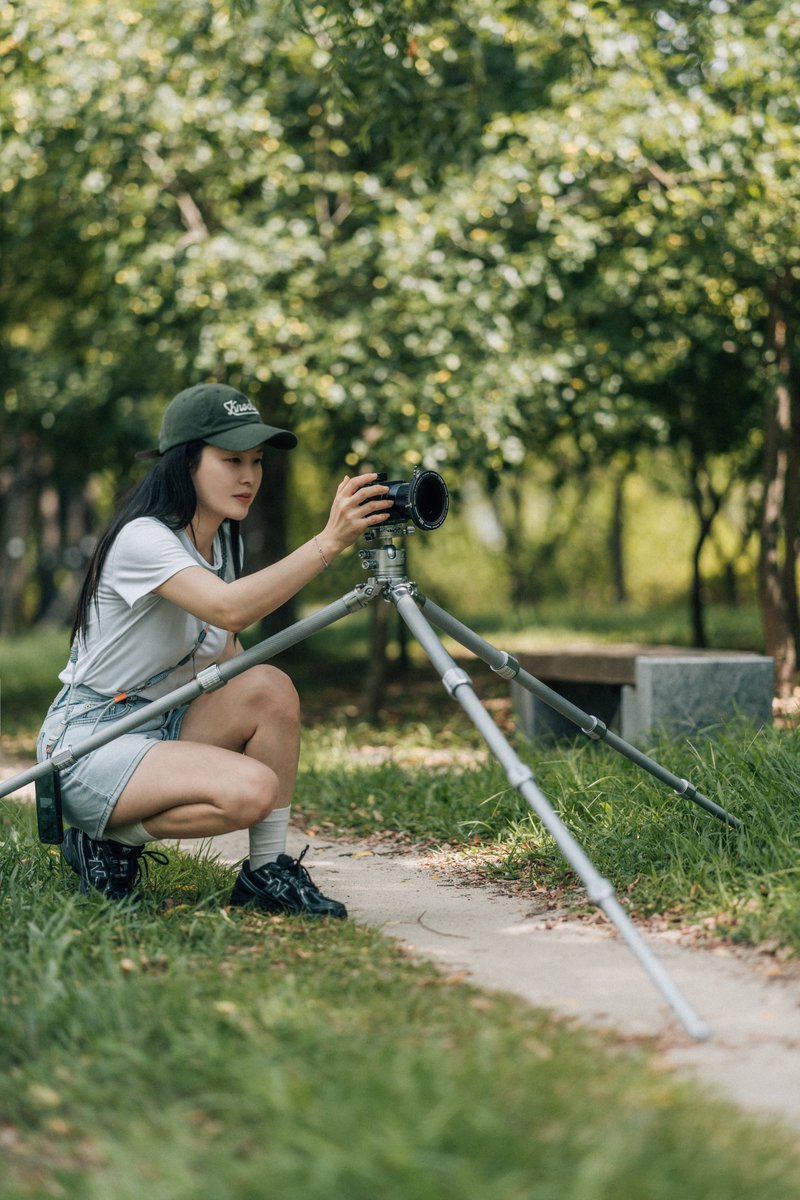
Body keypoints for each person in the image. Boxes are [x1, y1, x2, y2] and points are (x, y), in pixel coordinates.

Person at [37, 383, 392, 914]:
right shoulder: (143, 538)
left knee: (270, 686)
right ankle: (104, 838)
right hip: (90, 739)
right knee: (251, 792)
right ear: (186, 464)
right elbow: (227, 608)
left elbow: (226, 647)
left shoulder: (224, 537)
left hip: (165, 722)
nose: (249, 476)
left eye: (256, 460)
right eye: (231, 460)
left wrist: (259, 707)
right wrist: (330, 542)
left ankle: (265, 874)